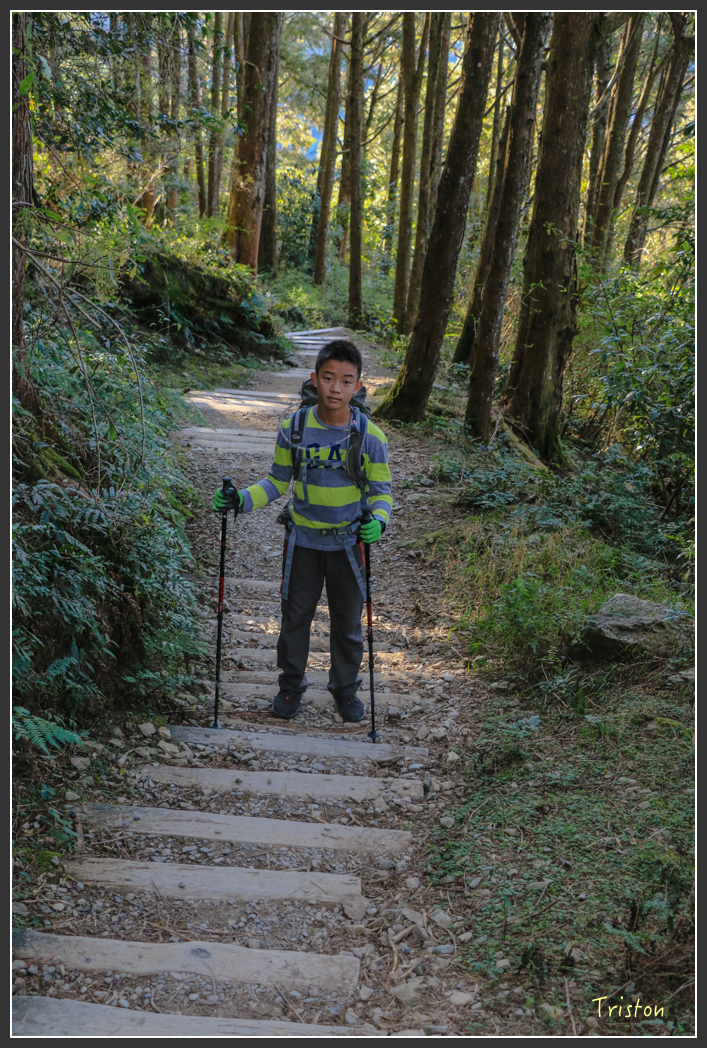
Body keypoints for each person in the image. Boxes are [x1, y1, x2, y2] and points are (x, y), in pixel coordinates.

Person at [213, 340, 393, 723]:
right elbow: (277, 482)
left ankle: (345, 691)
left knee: (347, 622)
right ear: (315, 379)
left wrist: (378, 522)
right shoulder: (294, 427)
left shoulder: (371, 437)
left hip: (349, 543)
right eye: (328, 378)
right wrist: (240, 499)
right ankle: (290, 686)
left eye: (346, 381)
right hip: (303, 541)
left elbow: (381, 493)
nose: (335, 388)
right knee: (296, 617)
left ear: (359, 386)